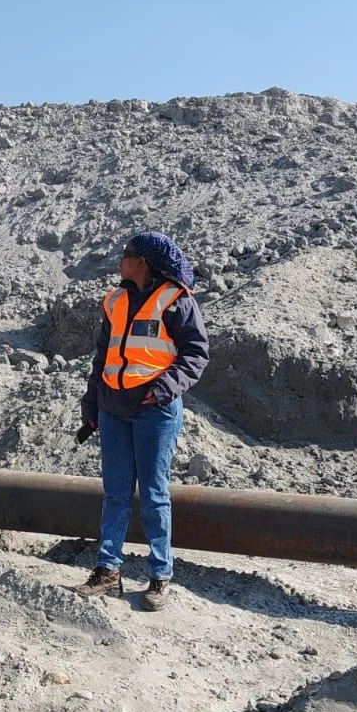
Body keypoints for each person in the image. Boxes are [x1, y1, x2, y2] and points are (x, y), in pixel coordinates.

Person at [74, 231, 209, 610]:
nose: (120, 260)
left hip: (155, 411)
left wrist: (164, 388)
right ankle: (108, 572)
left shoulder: (175, 302)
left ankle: (160, 575)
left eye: (126, 254)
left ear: (143, 262)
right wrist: (92, 401)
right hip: (114, 409)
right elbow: (103, 358)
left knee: (153, 495)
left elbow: (196, 354)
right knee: (115, 493)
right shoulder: (115, 301)